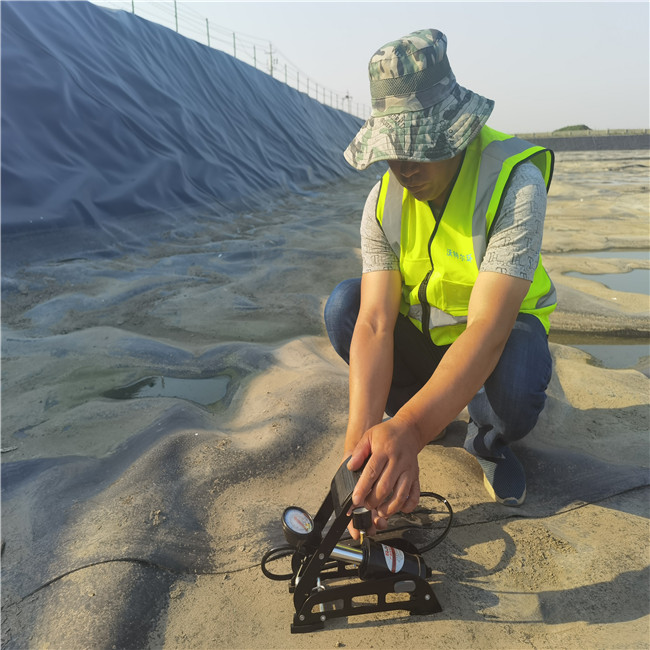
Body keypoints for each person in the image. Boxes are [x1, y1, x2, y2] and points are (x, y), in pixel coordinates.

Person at [324, 28, 556, 536]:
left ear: (457, 128)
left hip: (495, 342)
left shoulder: (514, 181)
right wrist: (361, 462)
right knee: (345, 303)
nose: (403, 166)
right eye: (394, 150)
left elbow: (489, 330)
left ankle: (487, 440)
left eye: (420, 146)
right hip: (428, 345)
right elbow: (375, 324)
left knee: (516, 376)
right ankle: (422, 417)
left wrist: (408, 429)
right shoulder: (382, 201)